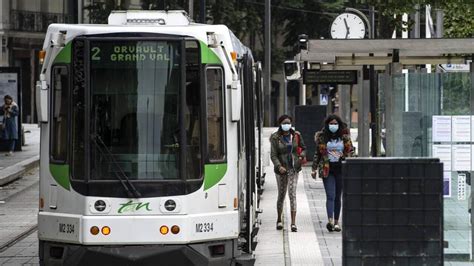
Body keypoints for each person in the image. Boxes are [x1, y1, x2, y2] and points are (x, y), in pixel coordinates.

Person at [311, 114, 353, 232]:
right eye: (331, 124)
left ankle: (336, 222)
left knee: (337, 197)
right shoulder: (322, 137)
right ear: (327, 124)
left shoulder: (344, 137)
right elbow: (317, 154)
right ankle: (330, 220)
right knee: (330, 195)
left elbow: (350, 151)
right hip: (327, 168)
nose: (333, 126)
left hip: (341, 169)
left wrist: (348, 160)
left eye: (335, 124)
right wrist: (314, 168)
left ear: (339, 125)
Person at [270, 115, 306, 232]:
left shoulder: (296, 135)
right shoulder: (275, 137)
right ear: (280, 124)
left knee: (292, 194)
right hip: (281, 170)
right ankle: (279, 219)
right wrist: (278, 166)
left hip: (293, 169)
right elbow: (273, 155)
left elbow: (304, 148)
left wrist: (301, 156)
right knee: (281, 194)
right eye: (284, 123)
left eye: (289, 123)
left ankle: (293, 223)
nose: (287, 125)